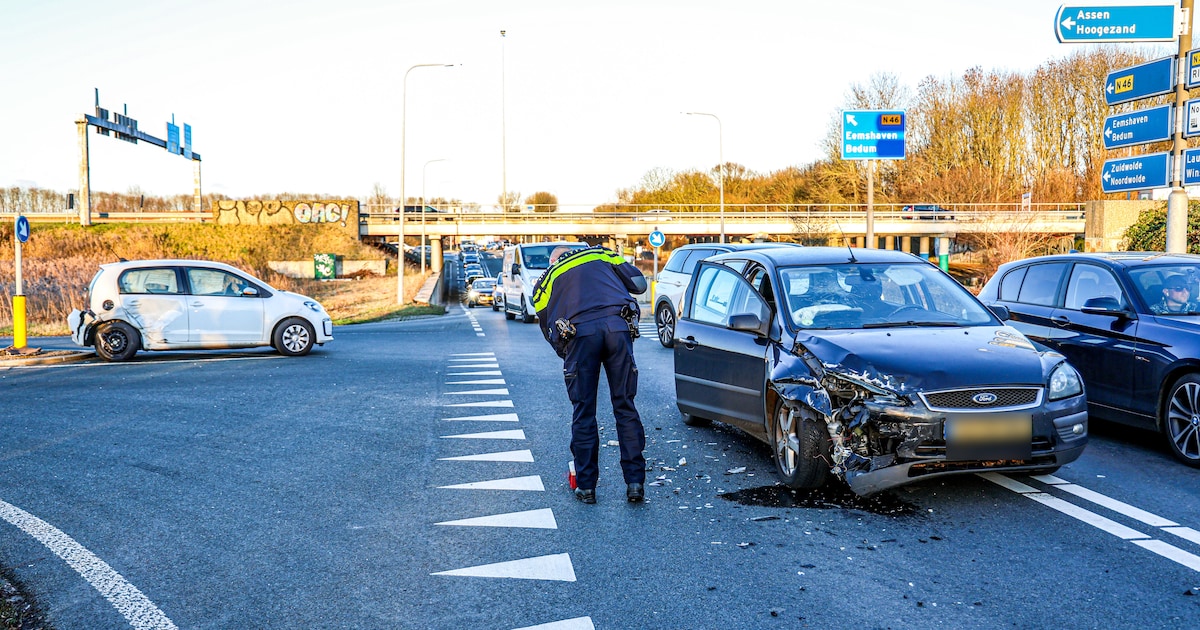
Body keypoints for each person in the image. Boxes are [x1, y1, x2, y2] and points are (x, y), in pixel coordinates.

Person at [532, 245, 649, 504]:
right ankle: (635, 483)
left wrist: (565, 352)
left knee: (584, 411)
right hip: (618, 327)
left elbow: (543, 317)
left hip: (579, 335)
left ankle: (586, 487)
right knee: (625, 406)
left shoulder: (549, 276)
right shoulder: (602, 254)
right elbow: (640, 285)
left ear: (553, 260)